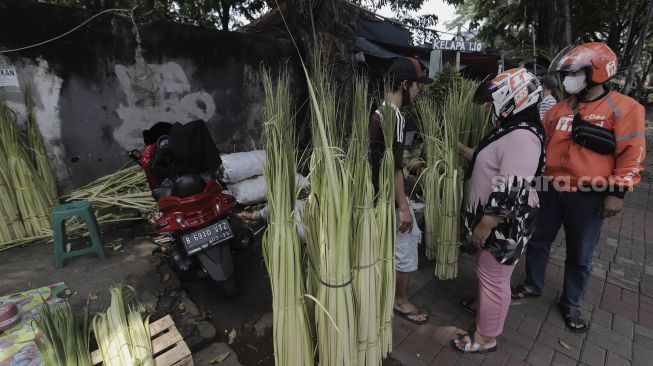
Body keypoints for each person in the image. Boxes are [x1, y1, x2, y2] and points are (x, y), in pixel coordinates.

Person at [511, 42, 646, 333]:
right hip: (550, 187)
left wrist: (617, 192)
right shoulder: (558, 109)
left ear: (596, 73)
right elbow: (541, 146)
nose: (568, 79)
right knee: (537, 241)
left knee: (580, 254)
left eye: (574, 73)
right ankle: (533, 284)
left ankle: (571, 303)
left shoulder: (624, 108)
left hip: (589, 195)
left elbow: (632, 154)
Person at [452, 68, 545, 354]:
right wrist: (460, 148)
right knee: (489, 272)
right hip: (497, 222)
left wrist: (485, 225)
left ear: (512, 101)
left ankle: (485, 337)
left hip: (503, 224)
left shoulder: (522, 137)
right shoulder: (513, 129)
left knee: (495, 278)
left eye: (492, 103)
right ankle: (485, 310)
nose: (489, 109)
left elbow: (510, 189)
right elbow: (490, 161)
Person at [369, 57, 433, 325]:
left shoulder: (378, 111)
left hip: (375, 196)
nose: (418, 93)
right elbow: (393, 168)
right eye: (418, 87)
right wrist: (404, 208)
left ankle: (386, 294)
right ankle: (400, 301)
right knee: (406, 247)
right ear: (405, 84)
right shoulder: (394, 116)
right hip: (387, 198)